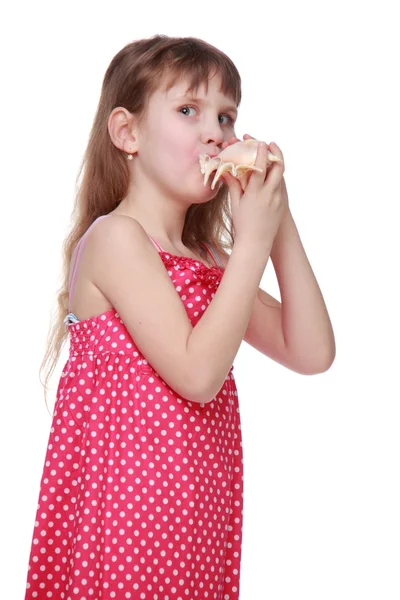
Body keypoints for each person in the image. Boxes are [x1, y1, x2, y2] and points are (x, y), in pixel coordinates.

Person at [25, 34, 335, 599]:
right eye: (188, 110)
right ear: (128, 133)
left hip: (199, 524)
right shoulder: (115, 239)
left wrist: (276, 219)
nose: (215, 131)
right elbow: (197, 375)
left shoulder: (210, 264)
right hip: (128, 522)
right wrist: (250, 246)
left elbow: (311, 351)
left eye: (226, 115)